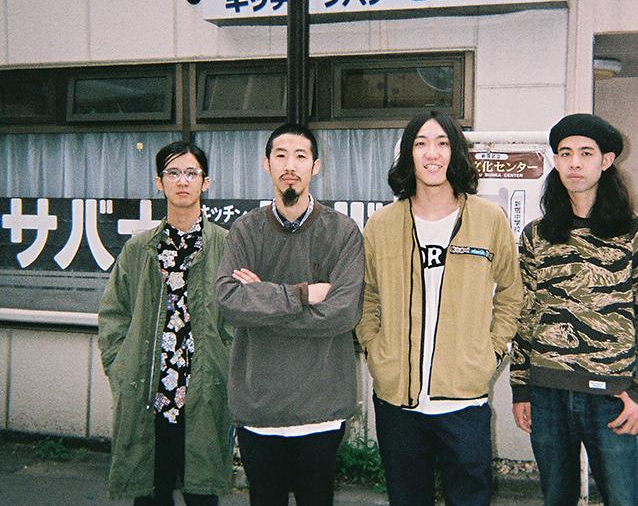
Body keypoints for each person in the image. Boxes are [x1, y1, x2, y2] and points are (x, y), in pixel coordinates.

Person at [357, 111, 524, 506]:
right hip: (398, 401)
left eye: (442, 143)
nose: (431, 153)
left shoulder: (488, 220)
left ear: (456, 153)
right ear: (408, 155)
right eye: (421, 143)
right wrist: (375, 350)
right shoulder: (381, 224)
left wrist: (492, 352)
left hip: (464, 400)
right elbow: (366, 297)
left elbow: (511, 293)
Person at [510, 113, 638, 506]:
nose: (575, 163)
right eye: (565, 154)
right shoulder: (537, 235)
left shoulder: (637, 233)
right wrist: (521, 387)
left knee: (625, 499)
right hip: (548, 392)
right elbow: (525, 314)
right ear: (556, 162)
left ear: (606, 160)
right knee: (556, 498)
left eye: (586, 153)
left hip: (612, 395)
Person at [215, 124, 364, 506]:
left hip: (321, 407)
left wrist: (262, 302)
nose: (290, 165)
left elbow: (343, 313)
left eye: (300, 156)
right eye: (280, 155)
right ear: (266, 164)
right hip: (258, 408)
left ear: (316, 165)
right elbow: (229, 301)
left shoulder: (343, 232)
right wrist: (303, 294)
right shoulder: (245, 231)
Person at [98, 141, 233, 505]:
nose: (182, 181)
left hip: (204, 391)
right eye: (173, 173)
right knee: (149, 495)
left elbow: (239, 317)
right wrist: (120, 366)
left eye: (191, 173)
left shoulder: (226, 245)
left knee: (202, 495)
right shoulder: (139, 248)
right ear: (159, 182)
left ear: (205, 182)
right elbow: (113, 315)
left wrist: (225, 363)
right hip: (148, 394)